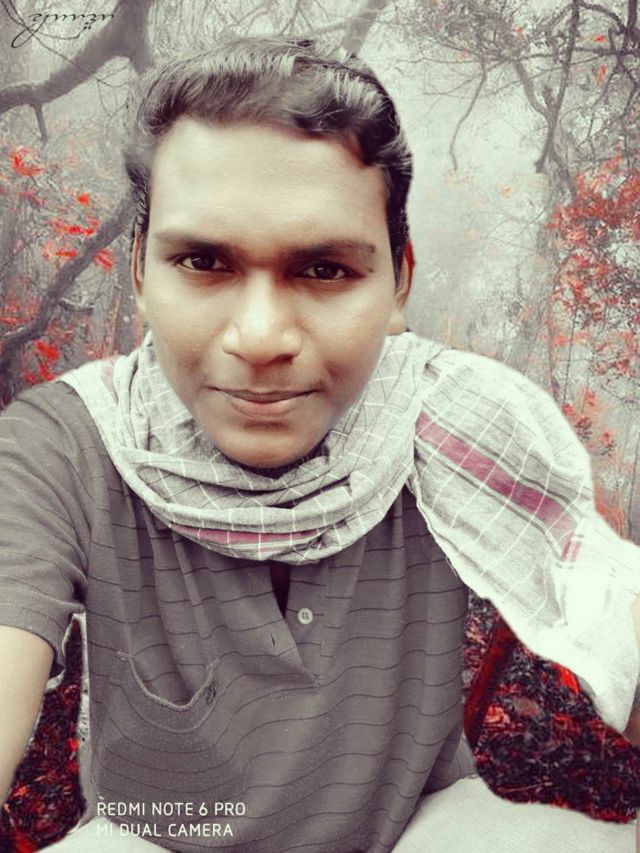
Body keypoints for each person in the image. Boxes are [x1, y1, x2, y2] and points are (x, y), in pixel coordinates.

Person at [0, 36, 638, 853]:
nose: (261, 337)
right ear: (139, 273)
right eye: (203, 261)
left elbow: (609, 603)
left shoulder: (457, 421)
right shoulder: (65, 445)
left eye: (326, 269)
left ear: (399, 282)